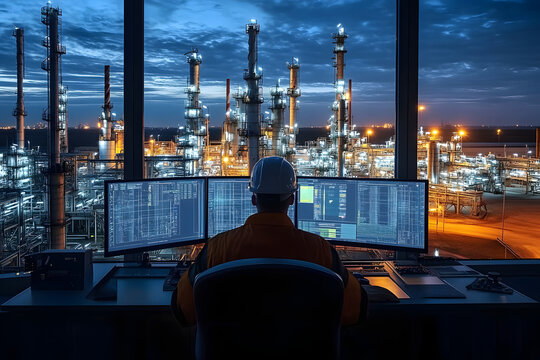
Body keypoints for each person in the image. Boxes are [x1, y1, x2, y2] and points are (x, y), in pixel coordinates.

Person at [176, 156, 365, 326]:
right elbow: (354, 312)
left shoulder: (218, 248)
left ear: (253, 199)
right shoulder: (320, 250)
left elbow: (183, 311)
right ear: (292, 199)